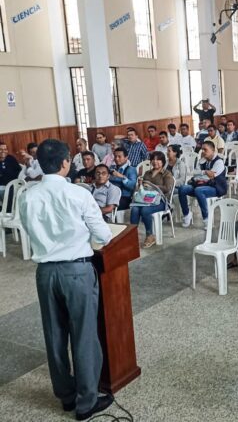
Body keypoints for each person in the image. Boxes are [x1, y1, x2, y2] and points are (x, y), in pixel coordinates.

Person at [18, 139, 114, 420]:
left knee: (55, 334)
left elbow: (29, 229)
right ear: (64, 163)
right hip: (76, 271)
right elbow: (104, 235)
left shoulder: (27, 196)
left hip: (45, 273)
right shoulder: (78, 194)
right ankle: (86, 401)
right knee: (83, 334)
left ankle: (66, 395)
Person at [130, 151, 174, 248]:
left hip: (161, 200)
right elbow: (142, 189)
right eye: (153, 159)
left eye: (158, 160)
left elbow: (167, 188)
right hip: (146, 199)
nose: (155, 161)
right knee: (135, 209)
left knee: (145, 210)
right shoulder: (147, 173)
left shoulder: (167, 174)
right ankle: (132, 236)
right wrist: (140, 184)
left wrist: (152, 186)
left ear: (163, 161)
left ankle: (150, 236)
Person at [179, 141, 227, 229]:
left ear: (213, 150)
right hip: (200, 185)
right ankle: (187, 214)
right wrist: (204, 172)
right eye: (202, 150)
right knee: (182, 189)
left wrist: (201, 175)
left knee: (199, 190)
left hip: (216, 187)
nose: (203, 152)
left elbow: (211, 176)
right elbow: (194, 172)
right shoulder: (202, 160)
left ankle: (206, 219)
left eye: (205, 149)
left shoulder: (219, 162)